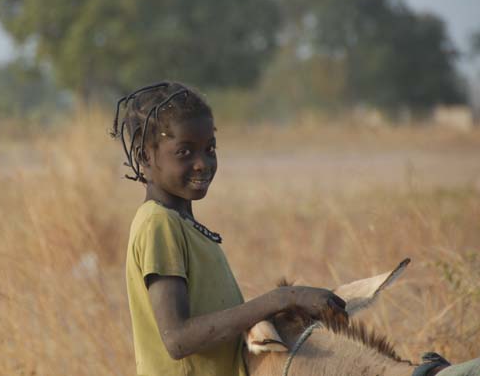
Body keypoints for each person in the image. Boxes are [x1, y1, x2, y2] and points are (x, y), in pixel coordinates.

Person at [111, 81, 347, 376]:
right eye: (185, 152)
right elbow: (178, 339)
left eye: (209, 149)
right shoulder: (157, 224)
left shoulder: (182, 223)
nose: (202, 164)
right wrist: (284, 297)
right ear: (146, 157)